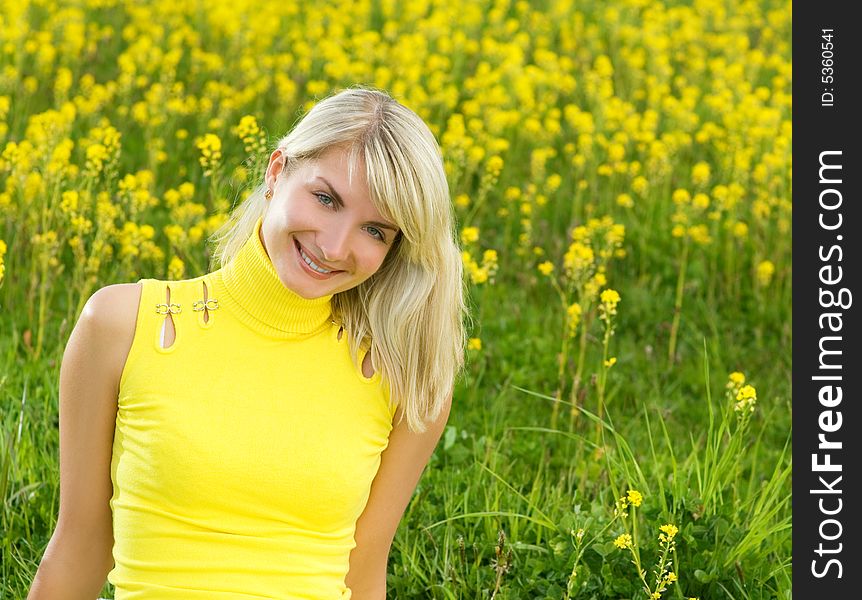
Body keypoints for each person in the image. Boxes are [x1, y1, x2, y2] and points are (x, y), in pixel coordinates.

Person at [28, 86, 468, 599]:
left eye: (375, 230)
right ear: (277, 170)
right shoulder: (121, 326)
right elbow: (79, 545)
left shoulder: (403, 377)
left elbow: (364, 573)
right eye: (326, 199)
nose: (334, 246)